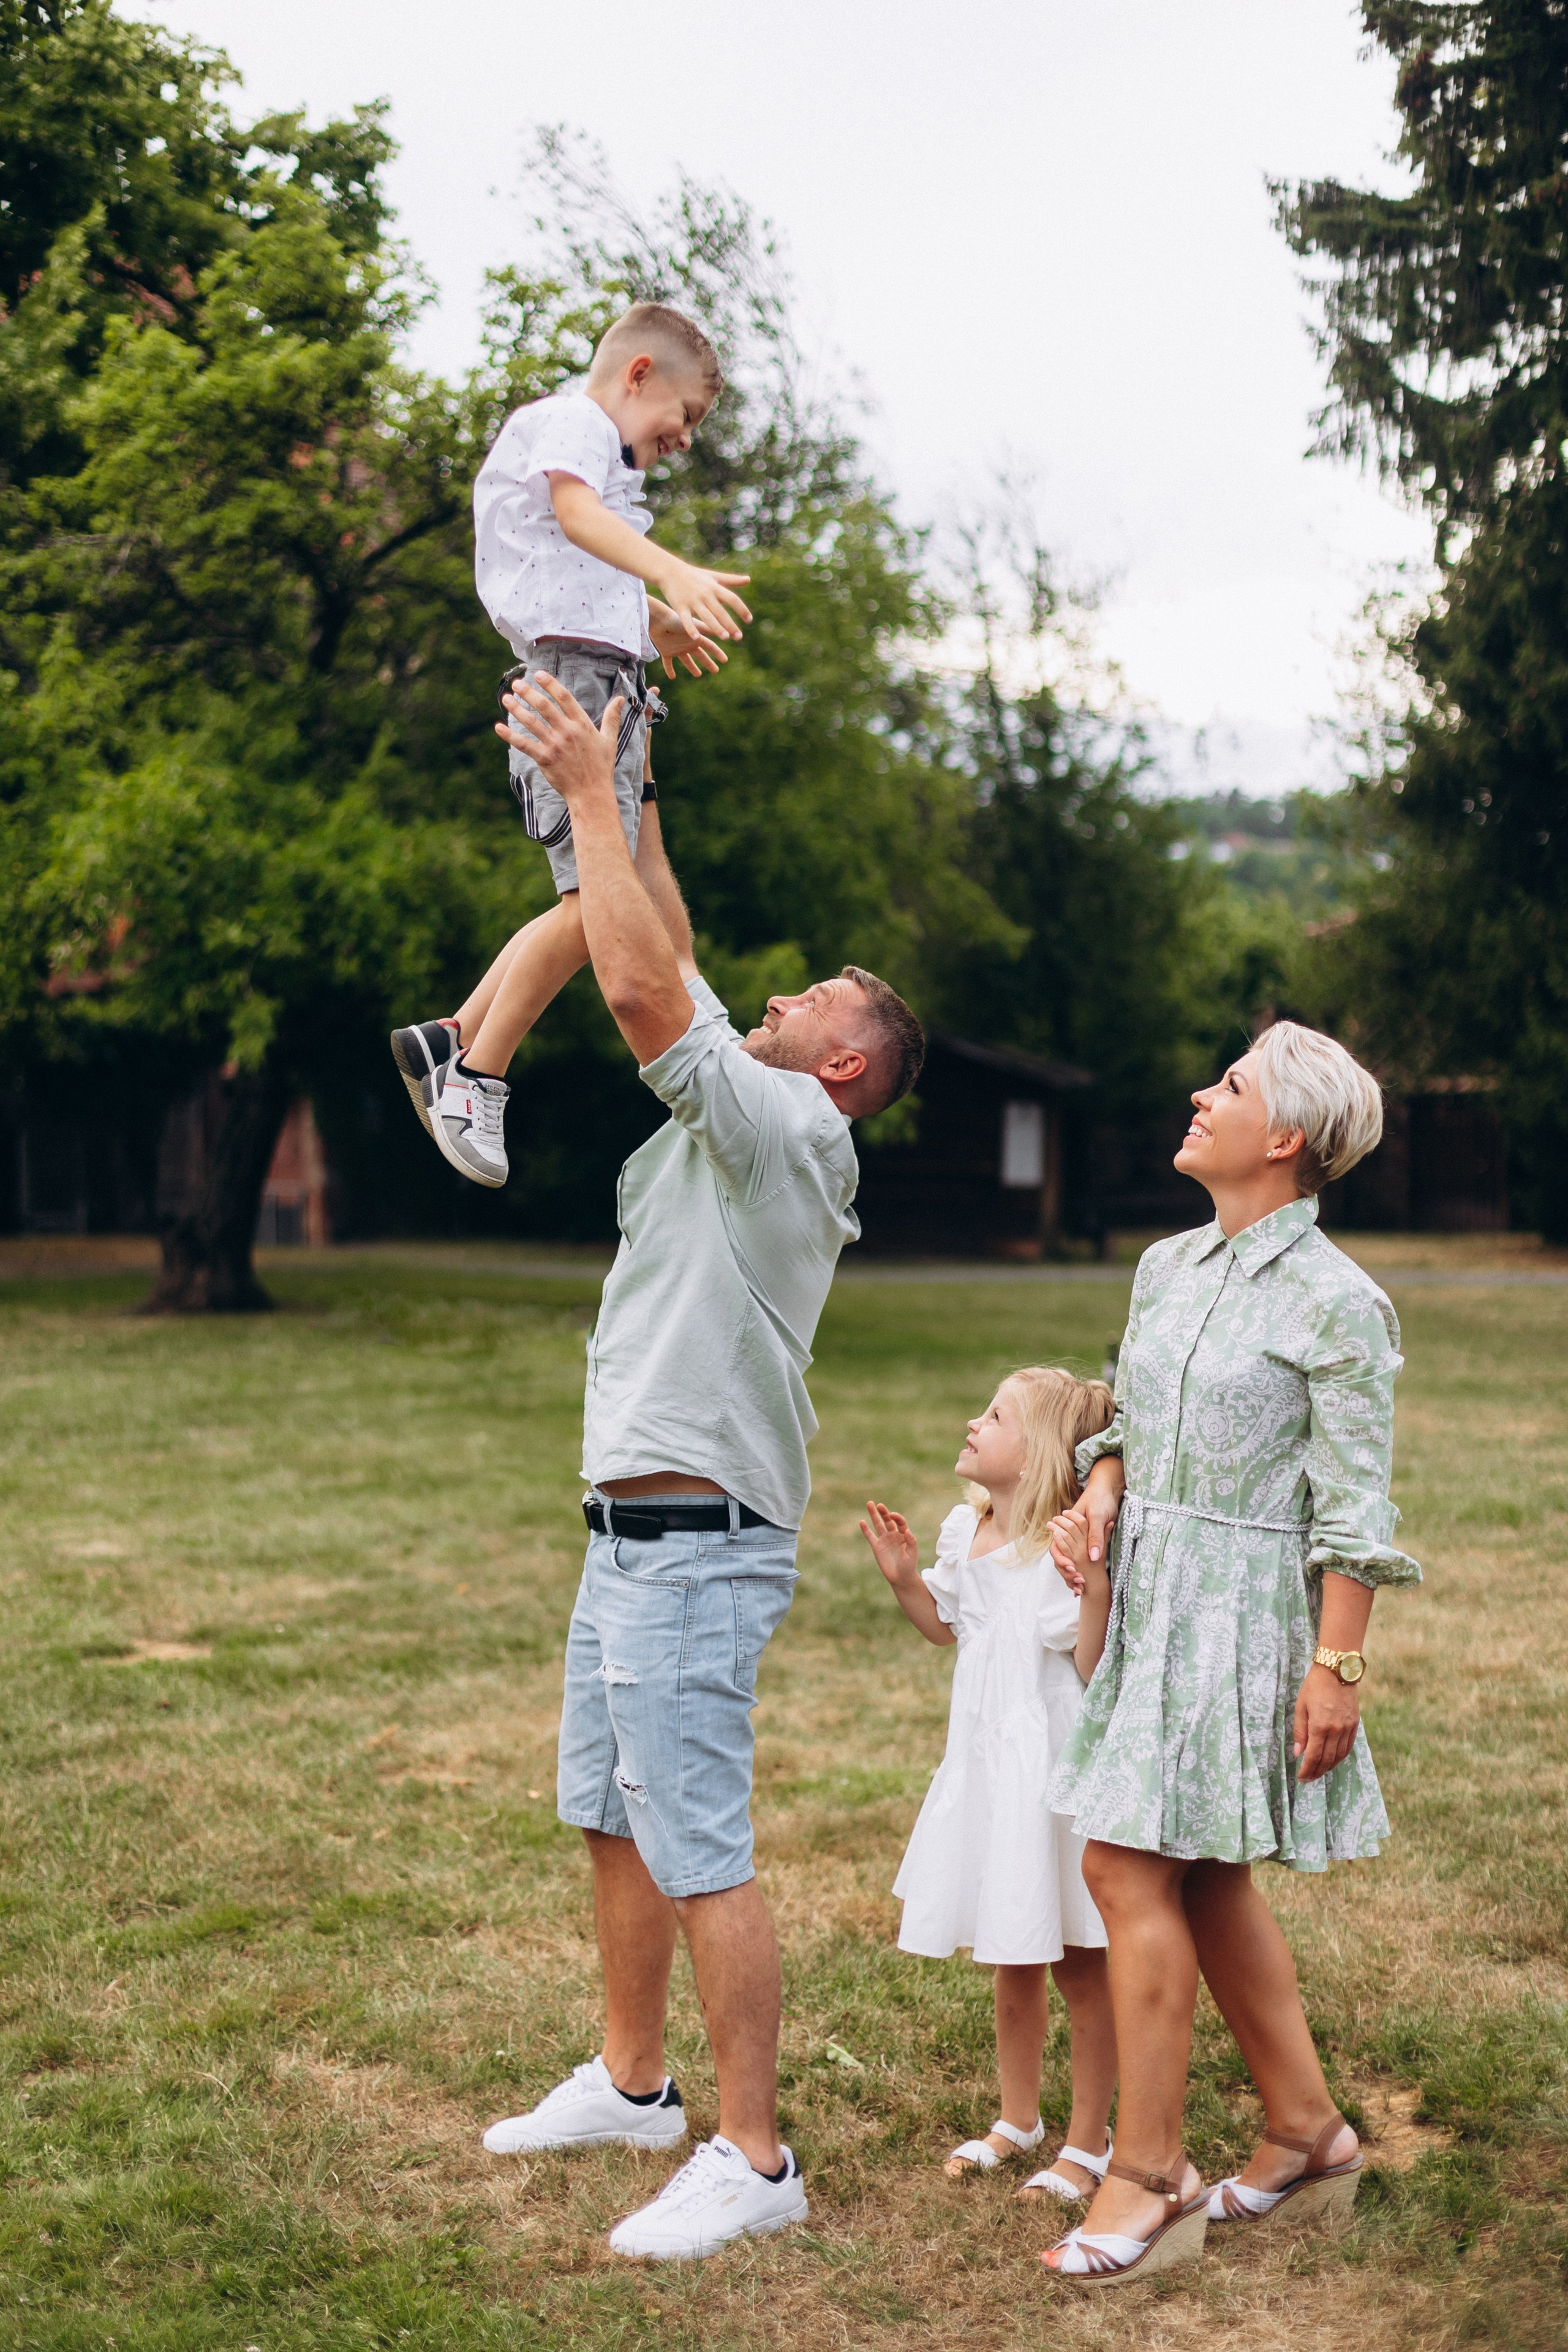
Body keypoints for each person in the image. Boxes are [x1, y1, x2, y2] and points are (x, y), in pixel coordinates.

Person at [477, 668, 924, 2262]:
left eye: (812, 1001)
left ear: (845, 1070)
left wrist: (588, 798)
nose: (778, 1000)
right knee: (612, 1813)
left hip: (700, 1541)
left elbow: (644, 994)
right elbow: (657, 931)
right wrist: (635, 772)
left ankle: (754, 2156)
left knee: (701, 1844)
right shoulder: (755, 1099)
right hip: (625, 1537)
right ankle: (633, 2081)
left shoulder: (794, 1134)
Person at [1036, 1021, 1421, 2287]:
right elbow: (1136, 1414)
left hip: (1248, 1617)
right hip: (1152, 1600)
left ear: (1286, 1138)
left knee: (1122, 1861)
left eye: (1230, 1086)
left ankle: (1146, 2174)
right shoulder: (1164, 1264)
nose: (1199, 1095)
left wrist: (1336, 1668)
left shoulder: (1339, 1305)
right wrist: (1100, 1483)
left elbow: (1354, 1510)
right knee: (1197, 1878)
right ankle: (1307, 2132)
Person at [390, 300, 753, 1189]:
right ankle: (474, 1071)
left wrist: (654, 620)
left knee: (598, 902)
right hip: (576, 680)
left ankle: (450, 1036)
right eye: (683, 420)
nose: (682, 442)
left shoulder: (600, 454)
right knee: (601, 906)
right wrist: (666, 569)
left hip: (603, 675)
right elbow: (576, 515)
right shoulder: (571, 424)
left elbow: (582, 563)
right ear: (638, 375)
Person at [859, 1367, 1119, 2209]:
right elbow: (948, 1628)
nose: (974, 1423)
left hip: (1049, 1783)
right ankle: (1018, 2119)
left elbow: (1088, 1664)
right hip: (985, 1771)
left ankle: (1090, 2141)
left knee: (1080, 1966)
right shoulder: (963, 1534)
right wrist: (906, 1580)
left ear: (1037, 1454)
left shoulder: (1056, 1553)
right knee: (1011, 1952)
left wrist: (1094, 1588)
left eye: (996, 1416)